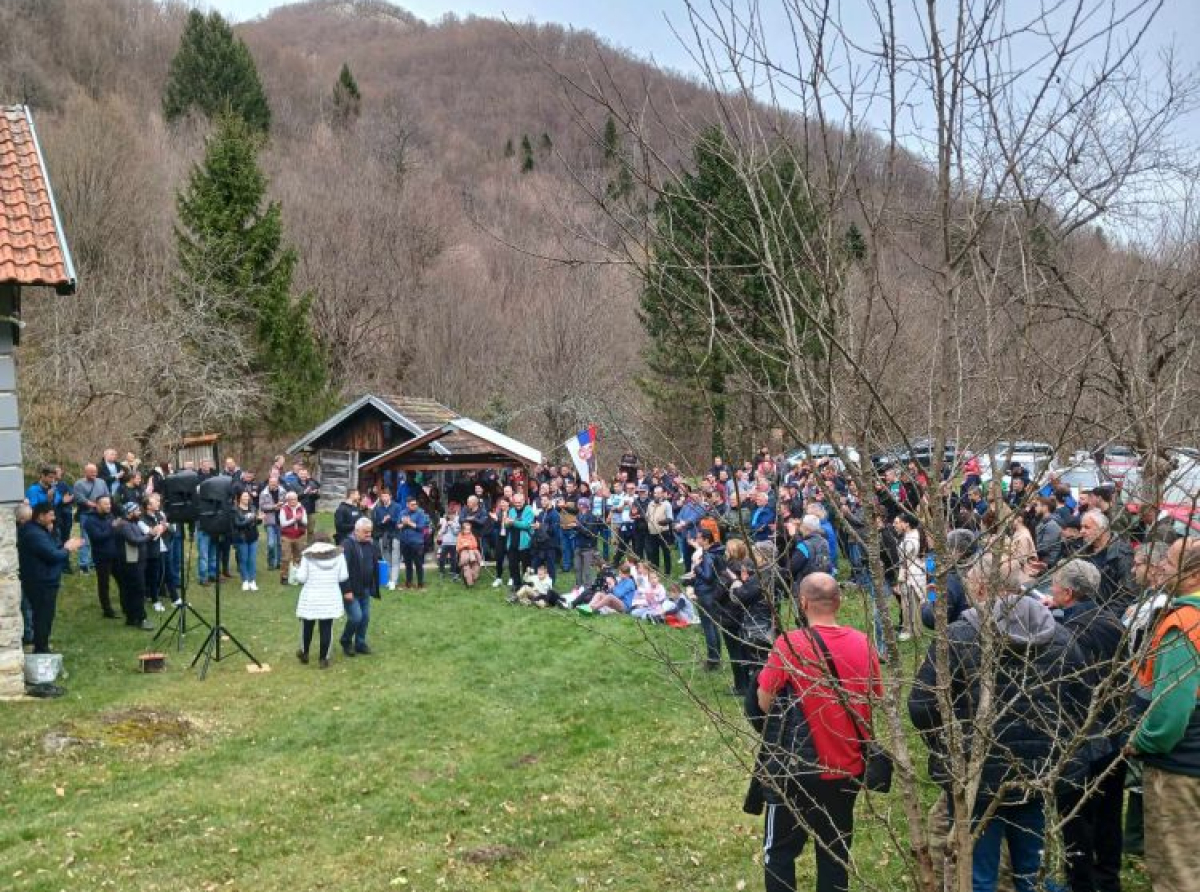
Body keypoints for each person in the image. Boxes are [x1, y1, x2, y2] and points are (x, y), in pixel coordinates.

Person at [908, 553, 1089, 892]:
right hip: (1038, 770)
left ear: (979, 587)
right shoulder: (1062, 637)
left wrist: (947, 745)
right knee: (1031, 870)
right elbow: (1080, 701)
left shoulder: (959, 636)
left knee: (978, 872)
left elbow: (921, 705)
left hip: (977, 773)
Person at [754, 573, 881, 892]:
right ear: (839, 602)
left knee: (780, 851)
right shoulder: (864, 643)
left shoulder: (790, 644)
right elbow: (873, 698)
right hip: (846, 766)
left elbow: (765, 701)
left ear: (803, 602)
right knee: (835, 854)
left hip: (797, 768)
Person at [1046, 558, 1127, 892]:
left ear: (1067, 593)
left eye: (1055, 586)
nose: (1051, 590)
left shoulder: (1067, 634)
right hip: (1115, 730)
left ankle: (1081, 883)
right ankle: (1108, 880)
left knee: (1077, 818)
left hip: (1082, 736)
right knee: (1109, 814)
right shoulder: (1113, 621)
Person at [1128, 537, 1200, 892]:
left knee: (1178, 872)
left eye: (1170, 563)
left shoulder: (1185, 623)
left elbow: (1171, 711)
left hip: (1181, 770)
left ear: (1193, 574)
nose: (1162, 569)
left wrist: (1140, 741)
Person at [17, 503, 82, 653]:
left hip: (47, 579)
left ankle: (42, 644)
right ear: (41, 516)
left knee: (46, 615)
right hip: (40, 581)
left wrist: (54, 535)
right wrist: (68, 548)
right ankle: (41, 648)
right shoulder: (33, 534)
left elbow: (54, 546)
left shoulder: (41, 530)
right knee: (42, 616)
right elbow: (53, 555)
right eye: (51, 515)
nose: (54, 518)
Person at [295, 533, 347, 669]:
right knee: (326, 628)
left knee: (307, 626)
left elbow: (301, 578)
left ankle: (305, 652)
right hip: (330, 596)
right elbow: (343, 576)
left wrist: (296, 570)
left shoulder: (307, 556)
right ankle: (323, 658)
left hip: (311, 596)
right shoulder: (339, 555)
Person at [340, 517, 381, 657]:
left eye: (370, 532)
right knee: (356, 617)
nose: (369, 535)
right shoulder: (347, 545)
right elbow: (342, 569)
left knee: (365, 617)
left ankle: (360, 643)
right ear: (356, 531)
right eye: (366, 532)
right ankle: (346, 640)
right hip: (351, 590)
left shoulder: (371, 544)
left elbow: (375, 562)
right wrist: (346, 590)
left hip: (366, 588)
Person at [113, 502, 155, 630]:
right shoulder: (125, 526)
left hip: (135, 562)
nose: (139, 513)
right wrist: (150, 535)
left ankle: (131, 617)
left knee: (131, 591)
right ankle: (140, 618)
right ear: (130, 513)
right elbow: (134, 541)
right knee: (138, 591)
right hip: (131, 564)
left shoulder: (131, 524)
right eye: (137, 511)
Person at [81, 495, 119, 618]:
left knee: (123, 580)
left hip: (116, 554)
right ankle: (107, 610)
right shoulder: (90, 521)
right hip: (102, 556)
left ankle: (126, 605)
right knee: (104, 584)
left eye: (109, 503)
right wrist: (112, 527)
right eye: (105, 504)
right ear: (97, 505)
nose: (109, 506)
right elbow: (98, 537)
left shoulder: (110, 516)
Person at [894, 513, 925, 641]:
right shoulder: (914, 535)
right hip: (917, 570)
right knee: (911, 602)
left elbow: (905, 562)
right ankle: (914, 628)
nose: (895, 525)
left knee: (909, 603)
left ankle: (911, 630)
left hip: (911, 574)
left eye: (898, 522)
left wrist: (901, 578)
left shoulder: (910, 541)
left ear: (906, 524)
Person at [397, 495, 431, 589]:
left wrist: (409, 523)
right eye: (412, 504)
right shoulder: (402, 513)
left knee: (418, 564)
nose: (414, 506)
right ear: (407, 505)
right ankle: (408, 583)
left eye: (415, 504)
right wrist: (403, 524)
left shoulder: (420, 513)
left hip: (417, 543)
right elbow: (398, 526)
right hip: (405, 542)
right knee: (408, 564)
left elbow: (421, 527)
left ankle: (420, 584)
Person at [371, 488, 402, 590]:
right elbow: (376, 523)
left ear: (390, 496)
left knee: (395, 558)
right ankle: (389, 580)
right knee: (386, 558)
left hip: (395, 535)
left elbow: (398, 521)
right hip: (383, 536)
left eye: (386, 496)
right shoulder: (378, 509)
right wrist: (383, 522)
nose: (384, 498)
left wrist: (390, 519)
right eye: (382, 496)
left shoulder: (397, 506)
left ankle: (394, 580)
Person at [231, 490, 261, 591]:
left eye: (247, 497)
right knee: (243, 559)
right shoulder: (235, 509)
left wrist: (258, 519)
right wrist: (249, 519)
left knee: (252, 559)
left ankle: (252, 580)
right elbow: (237, 524)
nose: (245, 499)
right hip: (241, 538)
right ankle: (245, 580)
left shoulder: (252, 508)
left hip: (253, 537)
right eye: (243, 497)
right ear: (239, 498)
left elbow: (256, 522)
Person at [505, 492, 535, 591]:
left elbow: (526, 525)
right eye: (515, 502)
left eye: (519, 502)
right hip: (512, 542)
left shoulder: (529, 510)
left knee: (526, 566)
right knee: (513, 566)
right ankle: (517, 585)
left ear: (523, 501)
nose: (517, 504)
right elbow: (506, 525)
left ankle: (527, 585)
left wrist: (513, 522)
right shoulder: (511, 510)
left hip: (525, 543)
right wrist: (507, 523)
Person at [278, 491, 308, 585]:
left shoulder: (301, 508)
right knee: (285, 557)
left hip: (300, 536)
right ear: (287, 500)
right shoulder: (283, 509)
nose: (293, 501)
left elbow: (306, 522)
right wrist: (294, 519)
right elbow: (283, 524)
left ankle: (298, 576)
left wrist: (300, 519)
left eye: (294, 499)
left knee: (298, 557)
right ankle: (284, 577)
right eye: (291, 499)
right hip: (287, 536)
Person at [259, 472, 285, 573]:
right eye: (271, 483)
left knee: (280, 544)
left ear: (278, 483)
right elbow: (262, 507)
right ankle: (270, 562)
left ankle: (278, 563)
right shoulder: (264, 493)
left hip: (281, 521)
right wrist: (274, 506)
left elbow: (287, 503)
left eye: (275, 483)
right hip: (269, 521)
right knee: (271, 544)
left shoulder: (283, 491)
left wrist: (282, 505)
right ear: (268, 483)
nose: (273, 485)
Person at [456, 521, 482, 587]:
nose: (468, 531)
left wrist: (469, 545)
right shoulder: (460, 536)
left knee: (475, 566)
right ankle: (468, 582)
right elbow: (458, 547)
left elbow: (475, 545)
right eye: (466, 529)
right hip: (464, 553)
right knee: (466, 567)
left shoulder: (472, 536)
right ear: (463, 529)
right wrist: (464, 546)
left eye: (469, 529)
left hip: (472, 552)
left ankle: (473, 578)